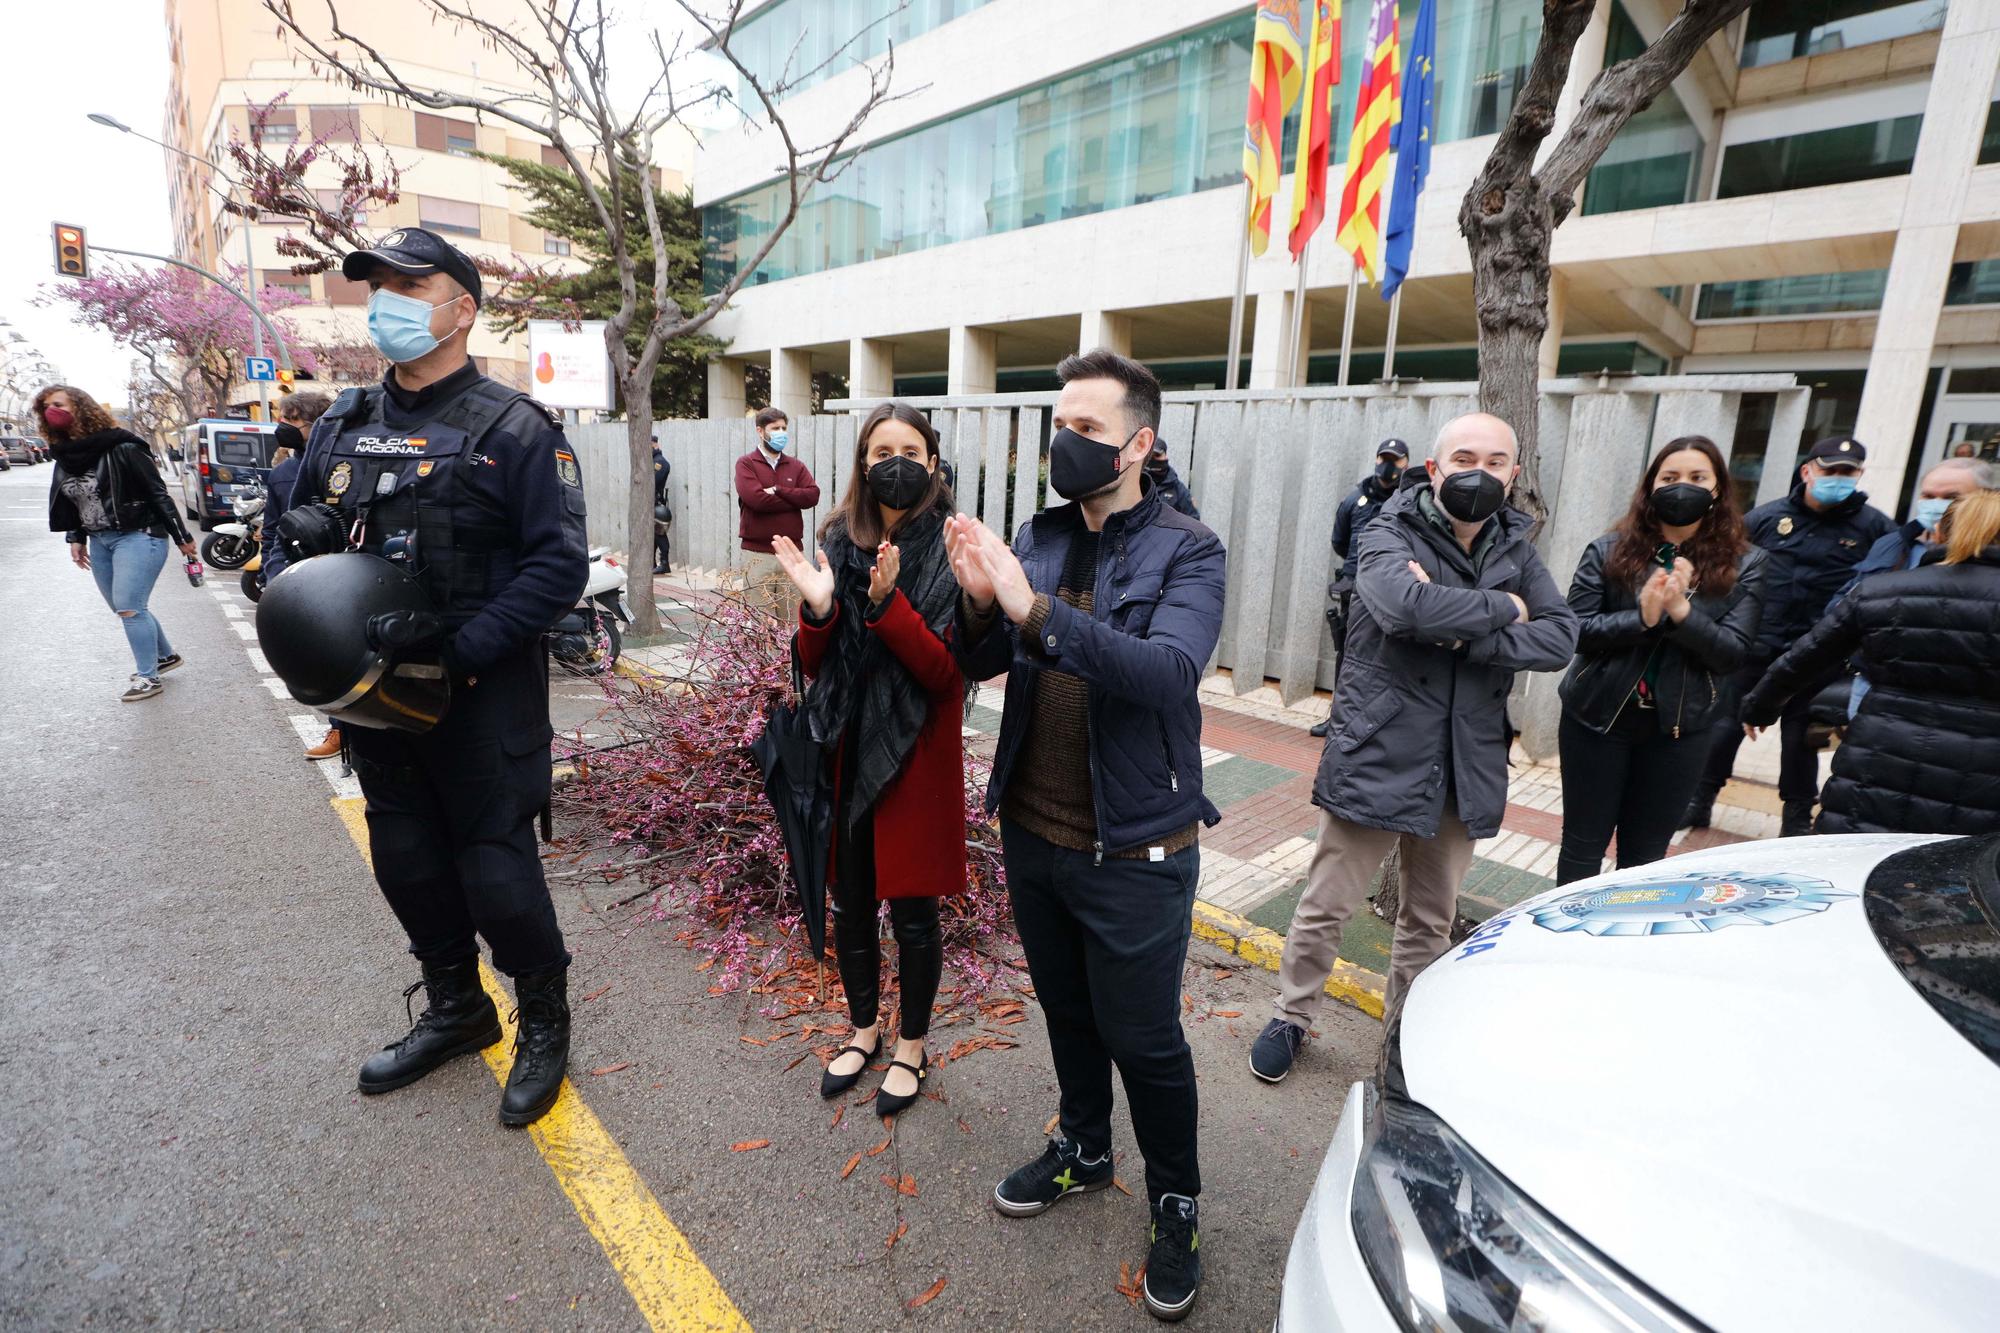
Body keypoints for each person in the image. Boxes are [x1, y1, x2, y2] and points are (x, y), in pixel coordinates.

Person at [262, 227, 589, 1126]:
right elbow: (292, 530)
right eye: (377, 285)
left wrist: (458, 650)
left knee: (496, 870)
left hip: (479, 693)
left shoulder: (517, 428)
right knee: (405, 856)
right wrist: (301, 547)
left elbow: (557, 570)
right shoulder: (342, 422)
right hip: (375, 696)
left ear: (461, 310)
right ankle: (458, 1006)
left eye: (411, 285)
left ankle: (545, 1019)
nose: (387, 302)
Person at [947, 349, 1224, 1323]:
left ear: (1138, 443)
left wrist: (1031, 609)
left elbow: (1163, 674)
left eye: (1089, 428)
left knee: (1142, 1039)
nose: (1066, 441)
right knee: (1067, 1013)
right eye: (1059, 422)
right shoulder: (1041, 534)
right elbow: (981, 657)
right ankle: (1083, 1144)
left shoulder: (1189, 548)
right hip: (1034, 829)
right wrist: (981, 598)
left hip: (1136, 849)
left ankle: (1176, 1199)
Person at [1251, 414, 1577, 1081]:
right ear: (1434, 467)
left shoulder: (1519, 546)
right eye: (1463, 457)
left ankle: (1403, 1039)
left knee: (1429, 919)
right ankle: (1291, 1013)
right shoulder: (1386, 530)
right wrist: (1503, 608)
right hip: (1380, 743)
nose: (1477, 472)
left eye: (1494, 460)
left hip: (1464, 756)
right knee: (1328, 901)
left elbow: (1560, 637)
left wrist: (1457, 624)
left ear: (1514, 474)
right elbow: (1401, 609)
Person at [769, 402, 963, 1120]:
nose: (896, 462)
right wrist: (820, 608)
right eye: (882, 449)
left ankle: (911, 1044)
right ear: (862, 460)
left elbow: (946, 673)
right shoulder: (837, 538)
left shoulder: (949, 545)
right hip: (845, 751)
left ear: (933, 462)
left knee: (913, 911)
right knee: (851, 903)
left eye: (910, 449)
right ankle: (863, 1028)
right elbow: (818, 668)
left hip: (913, 752)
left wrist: (887, 606)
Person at [1555, 437, 1766, 884]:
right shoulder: (1609, 550)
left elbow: (1732, 654)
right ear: (1650, 487)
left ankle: (1625, 942)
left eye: (1697, 478)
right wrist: (1643, 618)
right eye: (1669, 478)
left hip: (1680, 730)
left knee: (1645, 855)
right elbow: (1575, 630)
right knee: (1582, 843)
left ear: (1718, 489)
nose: (1681, 487)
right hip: (1597, 718)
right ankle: (1566, 943)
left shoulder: (1748, 564)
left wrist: (1683, 615)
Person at [1739, 489, 2000, 834]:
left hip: (1877, 761)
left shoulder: (1883, 591)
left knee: (1846, 870)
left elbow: (1805, 656)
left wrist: (1760, 707)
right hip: (1983, 780)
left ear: (1940, 533)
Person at [1681, 435, 1895, 835]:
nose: (1838, 478)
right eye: (1830, 470)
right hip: (1756, 646)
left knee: (1801, 739)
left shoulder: (1876, 528)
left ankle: (1795, 819)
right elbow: (1729, 567)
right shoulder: (1767, 518)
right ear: (1808, 471)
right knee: (1725, 726)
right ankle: (1699, 801)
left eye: (1847, 472)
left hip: (1818, 655)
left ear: (1859, 475)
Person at [39, 385, 197, 702]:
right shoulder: (66, 455)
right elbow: (75, 501)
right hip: (100, 540)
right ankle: (165, 657)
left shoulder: (123, 447)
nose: (50, 410)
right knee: (122, 606)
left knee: (129, 606)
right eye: (44, 406)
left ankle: (149, 677)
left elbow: (158, 494)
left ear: (80, 408)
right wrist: (76, 537)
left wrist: (183, 537)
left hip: (138, 534)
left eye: (58, 404)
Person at [1838, 457, 1997, 717]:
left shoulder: (1990, 560)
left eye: (1950, 496)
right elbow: (1846, 605)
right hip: (1877, 683)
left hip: (1963, 700)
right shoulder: (1893, 544)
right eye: (1928, 495)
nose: (1936, 504)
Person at [1312, 439, 1410, 737]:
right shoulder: (1355, 499)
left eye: (1395, 459)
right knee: (1348, 656)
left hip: (1393, 594)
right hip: (1354, 590)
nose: (1388, 464)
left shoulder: (1409, 501)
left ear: (1407, 464)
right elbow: (1339, 541)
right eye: (1384, 457)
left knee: (1388, 657)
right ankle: (1339, 719)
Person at [262, 391, 339, 758]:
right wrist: (272, 574)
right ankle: (338, 727)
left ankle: (346, 729)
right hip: (296, 577)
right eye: (283, 419)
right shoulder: (281, 474)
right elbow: (274, 528)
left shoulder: (337, 465)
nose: (284, 428)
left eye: (293, 421)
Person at [734, 406, 819, 619]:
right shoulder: (746, 464)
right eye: (775, 428)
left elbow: (812, 496)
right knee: (760, 623)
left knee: (791, 621)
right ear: (760, 431)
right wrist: (793, 499)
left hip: (792, 554)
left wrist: (778, 490)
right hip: (758, 555)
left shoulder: (796, 466)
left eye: (784, 428)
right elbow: (756, 500)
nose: (781, 432)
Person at [1146, 441, 1199, 519]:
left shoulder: (1177, 488)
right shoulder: (1137, 482)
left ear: (1165, 456)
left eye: (1157, 455)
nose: (1153, 460)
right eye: (1150, 456)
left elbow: (1194, 521)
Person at [651, 435, 673, 574]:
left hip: (656, 502)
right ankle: (652, 563)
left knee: (659, 533)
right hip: (648, 503)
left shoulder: (660, 462)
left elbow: (651, 481)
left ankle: (664, 563)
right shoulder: (651, 460)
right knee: (652, 535)